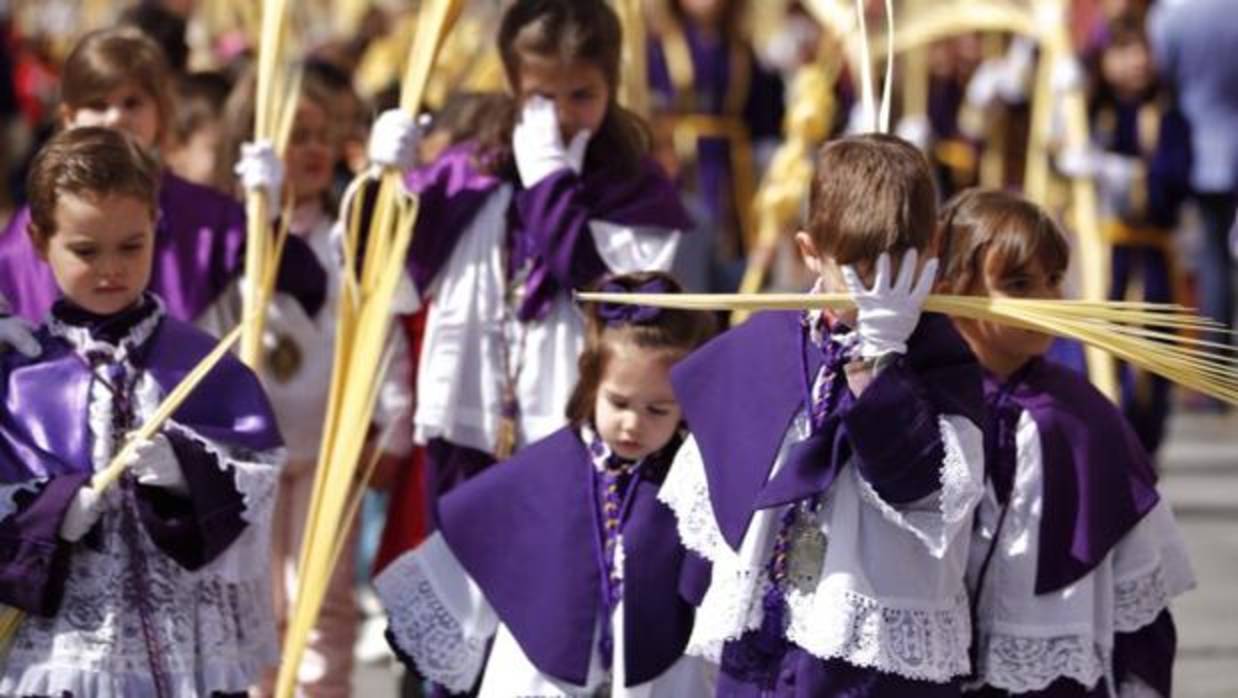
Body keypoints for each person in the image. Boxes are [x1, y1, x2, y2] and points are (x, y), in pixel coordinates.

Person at [659, 133, 987, 695]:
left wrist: (880, 366)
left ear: (932, 250)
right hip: (765, 639)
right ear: (811, 253)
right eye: (858, 271)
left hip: (870, 657)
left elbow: (920, 488)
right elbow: (720, 493)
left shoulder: (940, 359)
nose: (876, 292)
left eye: (897, 268)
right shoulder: (767, 340)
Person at [0, 126, 284, 697]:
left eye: (131, 246)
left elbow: (258, 471)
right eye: (85, 250)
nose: (111, 269)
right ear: (39, 241)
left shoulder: (202, 362)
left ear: (155, 227)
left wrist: (187, 473)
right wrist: (51, 514)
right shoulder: (21, 380)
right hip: (67, 648)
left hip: (183, 640)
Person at [382, 0, 691, 508]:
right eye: (543, 97)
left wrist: (549, 180)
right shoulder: (472, 164)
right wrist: (384, 186)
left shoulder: (631, 184)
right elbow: (393, 273)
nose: (563, 116)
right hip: (470, 409)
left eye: (582, 95)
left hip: (565, 418)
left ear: (610, 84)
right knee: (459, 567)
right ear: (512, 84)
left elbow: (616, 302)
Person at [376, 271, 716, 696]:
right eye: (619, 402)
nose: (633, 423)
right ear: (593, 383)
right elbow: (483, 544)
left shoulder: (691, 485)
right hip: (542, 677)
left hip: (655, 673)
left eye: (658, 410)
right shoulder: (543, 471)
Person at [936, 188, 1195, 697]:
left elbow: (1140, 613)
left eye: (1053, 280)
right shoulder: (917, 404)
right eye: (1018, 284)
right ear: (952, 289)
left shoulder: (1085, 417)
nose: (1046, 301)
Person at [0, 27, 254, 327]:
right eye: (97, 105)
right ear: (68, 117)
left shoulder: (213, 220)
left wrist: (269, 217)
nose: (115, 117)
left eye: (132, 102)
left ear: (162, 113)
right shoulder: (36, 225)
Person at [1059, 16, 1192, 456]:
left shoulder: (1168, 115)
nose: (1136, 61)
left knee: (1147, 368)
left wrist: (1114, 173)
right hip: (1094, 255)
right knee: (1089, 361)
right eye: (1123, 50)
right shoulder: (1087, 109)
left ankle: (1141, 457)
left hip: (1144, 257)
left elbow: (1170, 186)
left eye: (1142, 50)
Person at [1149, 0, 1238, 391]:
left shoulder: (1170, 16)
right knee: (1216, 254)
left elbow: (1157, 77)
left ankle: (1212, 367)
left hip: (1193, 146)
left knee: (1211, 257)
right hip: (1230, 141)